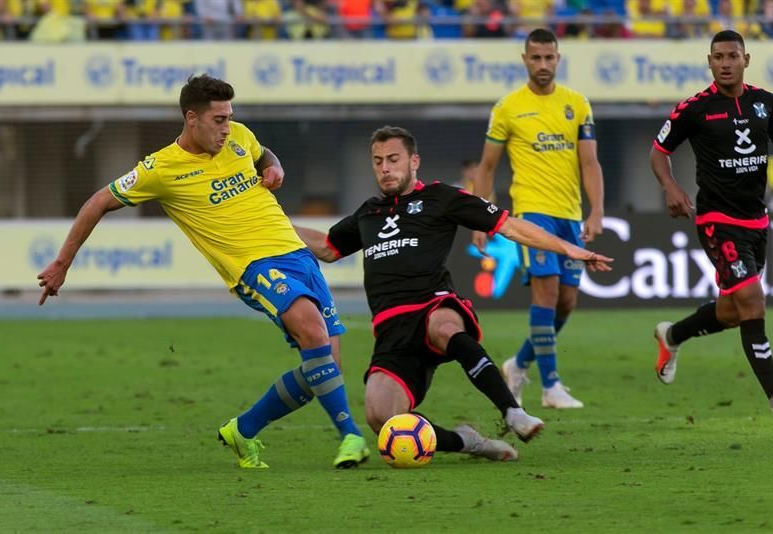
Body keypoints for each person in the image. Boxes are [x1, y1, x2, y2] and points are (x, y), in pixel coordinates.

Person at [36, 74, 370, 469]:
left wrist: (274, 167)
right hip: (252, 266)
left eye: (229, 118)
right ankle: (351, 436)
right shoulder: (160, 169)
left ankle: (242, 431)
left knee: (324, 366)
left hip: (297, 255)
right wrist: (62, 262)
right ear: (191, 118)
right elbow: (97, 202)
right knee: (312, 330)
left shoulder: (239, 137)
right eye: (218, 120)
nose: (226, 128)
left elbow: (264, 154)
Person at [297, 126, 612, 461]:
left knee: (446, 327)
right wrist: (274, 223)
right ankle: (467, 441)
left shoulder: (441, 198)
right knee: (382, 419)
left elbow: (509, 225)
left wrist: (569, 249)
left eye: (393, 159)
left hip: (433, 302)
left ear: (413, 160)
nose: (385, 168)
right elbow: (328, 248)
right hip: (390, 328)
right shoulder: (368, 213)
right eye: (378, 161)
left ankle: (512, 411)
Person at [472, 28, 605, 409]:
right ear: (525, 60)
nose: (543, 64)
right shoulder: (507, 108)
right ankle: (551, 386)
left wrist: (596, 211)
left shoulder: (577, 104)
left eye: (549, 58)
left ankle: (519, 364)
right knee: (545, 293)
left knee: (566, 303)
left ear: (558, 59)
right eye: (536, 58)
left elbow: (590, 162)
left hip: (569, 215)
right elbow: (487, 167)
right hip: (531, 212)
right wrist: (483, 217)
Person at [650, 30, 773, 412]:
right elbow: (658, 152)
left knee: (733, 312)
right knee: (753, 304)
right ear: (709, 62)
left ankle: (673, 334)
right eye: (717, 57)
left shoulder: (766, 105)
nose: (724, 63)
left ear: (746, 60)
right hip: (716, 219)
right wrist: (670, 187)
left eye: (732, 56)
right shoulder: (695, 109)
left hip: (756, 220)